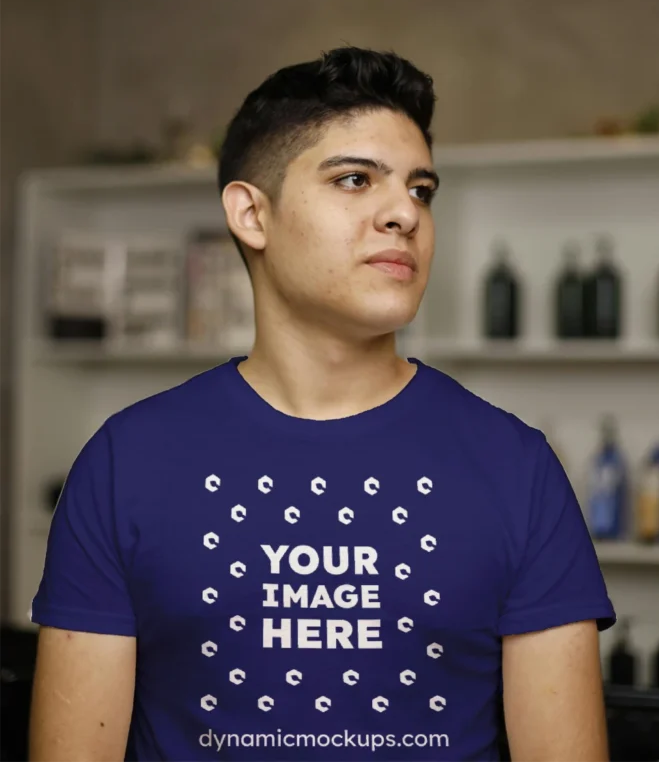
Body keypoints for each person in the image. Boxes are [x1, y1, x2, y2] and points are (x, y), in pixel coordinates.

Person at [28, 47, 615, 761]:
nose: (403, 211)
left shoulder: (515, 467)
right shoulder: (126, 462)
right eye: (354, 179)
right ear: (251, 213)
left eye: (422, 190)